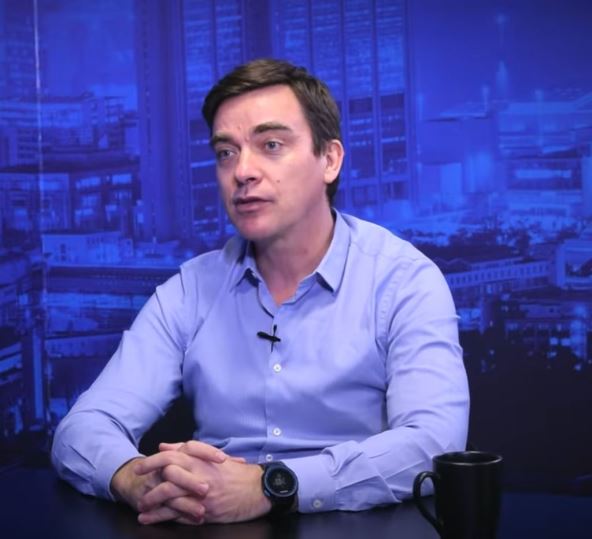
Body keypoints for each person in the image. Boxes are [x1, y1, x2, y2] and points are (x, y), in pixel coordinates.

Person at [51, 58, 469, 526]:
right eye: (226, 152)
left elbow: (435, 443)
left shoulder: (404, 281)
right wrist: (133, 478)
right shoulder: (190, 290)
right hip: (209, 524)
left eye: (271, 145)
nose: (242, 171)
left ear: (329, 160)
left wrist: (272, 485)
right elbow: (81, 429)